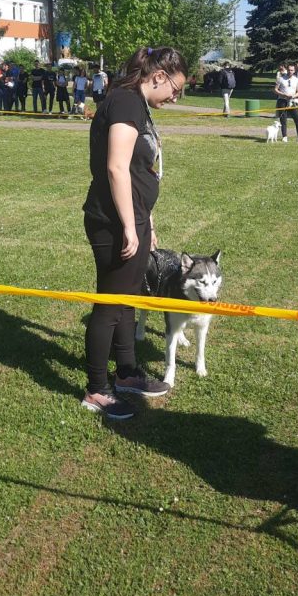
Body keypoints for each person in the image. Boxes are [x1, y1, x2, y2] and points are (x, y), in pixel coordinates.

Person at [82, 45, 188, 420]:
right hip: (112, 222)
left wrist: (147, 222)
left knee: (129, 300)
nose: (175, 97)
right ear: (158, 76)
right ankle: (96, 389)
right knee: (110, 305)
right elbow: (116, 167)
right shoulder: (126, 102)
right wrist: (129, 225)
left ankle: (126, 373)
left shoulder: (137, 104)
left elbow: (141, 171)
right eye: (175, 89)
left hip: (134, 218)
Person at [275, 62, 298, 143]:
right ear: (287, 69)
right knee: (283, 119)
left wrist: (293, 96)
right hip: (282, 101)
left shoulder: (296, 80)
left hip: (293, 101)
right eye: (289, 70)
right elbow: (275, 90)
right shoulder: (281, 79)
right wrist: (283, 94)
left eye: (292, 70)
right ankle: (284, 137)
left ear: (294, 71)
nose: (290, 71)